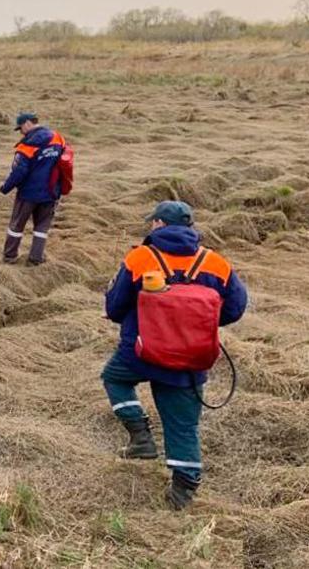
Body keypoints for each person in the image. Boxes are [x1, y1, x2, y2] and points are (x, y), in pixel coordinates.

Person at [101, 201, 247, 510]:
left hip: (139, 352)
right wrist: (193, 323)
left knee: (114, 379)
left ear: (158, 225)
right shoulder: (216, 263)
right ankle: (183, 491)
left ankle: (140, 437)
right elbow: (234, 308)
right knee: (182, 425)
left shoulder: (140, 258)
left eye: (151, 221)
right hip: (189, 360)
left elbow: (114, 308)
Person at [0, 112, 66, 265]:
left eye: (21, 128)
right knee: (41, 228)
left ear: (28, 123)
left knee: (16, 226)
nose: (21, 132)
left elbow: (19, 171)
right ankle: (35, 258)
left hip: (28, 193)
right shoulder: (58, 138)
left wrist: (5, 187)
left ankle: (9, 257)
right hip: (51, 192)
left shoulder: (27, 145)